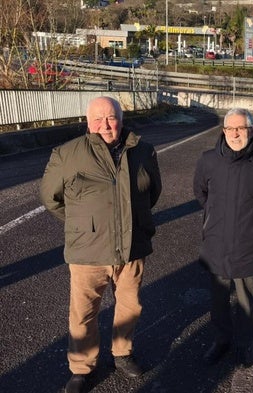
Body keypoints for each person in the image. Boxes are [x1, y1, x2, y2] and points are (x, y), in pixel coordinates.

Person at [40, 96, 162, 393]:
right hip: (88, 251)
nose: (106, 125)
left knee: (129, 305)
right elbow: (50, 198)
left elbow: (152, 192)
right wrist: (83, 225)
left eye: (112, 118)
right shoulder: (67, 154)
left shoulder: (143, 151)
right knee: (83, 312)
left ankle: (122, 353)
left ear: (121, 118)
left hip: (132, 247)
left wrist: (132, 222)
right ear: (87, 121)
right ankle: (82, 369)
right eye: (99, 119)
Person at [193, 107, 253, 367]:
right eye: (230, 128)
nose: (234, 133)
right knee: (218, 301)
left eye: (240, 128)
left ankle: (243, 345)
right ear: (223, 131)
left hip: (248, 245)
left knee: (246, 303)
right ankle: (222, 340)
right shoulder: (209, 160)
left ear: (251, 131)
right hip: (215, 243)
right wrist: (215, 217)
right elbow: (201, 193)